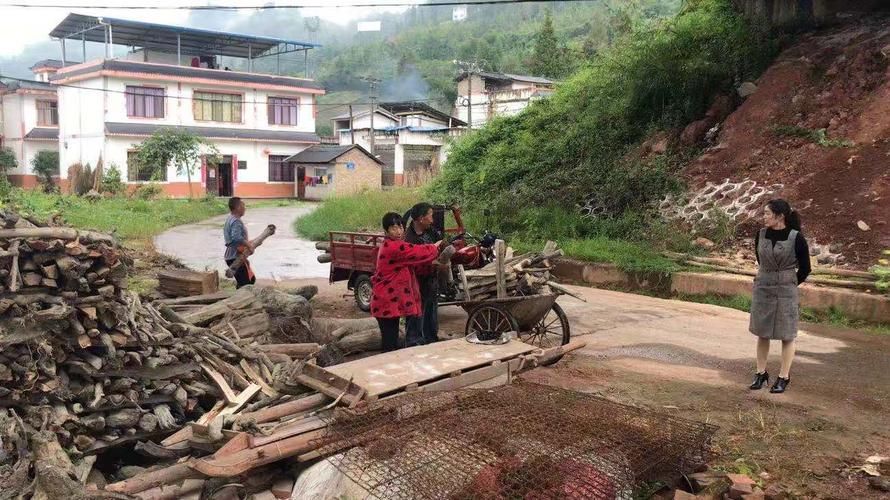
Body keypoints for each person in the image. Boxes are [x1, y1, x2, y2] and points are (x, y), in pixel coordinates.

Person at [748, 199, 811, 394]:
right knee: (762, 332)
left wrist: (789, 283)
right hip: (763, 288)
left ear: (780, 216)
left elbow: (805, 268)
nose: (764, 217)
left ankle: (784, 376)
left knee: (787, 335)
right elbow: (761, 260)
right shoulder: (760, 235)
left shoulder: (796, 238)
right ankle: (761, 373)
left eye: (767, 213)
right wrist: (768, 279)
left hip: (786, 292)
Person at [370, 212, 443, 352]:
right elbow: (417, 252)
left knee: (391, 341)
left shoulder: (396, 245)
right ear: (386, 231)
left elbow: (413, 262)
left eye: (400, 227)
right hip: (386, 301)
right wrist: (434, 247)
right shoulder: (393, 247)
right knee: (390, 344)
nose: (398, 231)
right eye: (393, 228)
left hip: (390, 301)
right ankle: (387, 369)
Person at [404, 202, 443, 346]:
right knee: (416, 315)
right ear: (421, 218)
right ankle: (414, 345)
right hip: (415, 283)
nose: (432, 220)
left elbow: (440, 244)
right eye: (430, 216)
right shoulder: (409, 239)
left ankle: (431, 341)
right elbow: (413, 262)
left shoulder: (430, 231)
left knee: (431, 313)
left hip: (430, 280)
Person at [223, 197, 256, 289]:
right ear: (238, 207)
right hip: (234, 257)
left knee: (249, 280)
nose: (245, 208)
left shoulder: (231, 218)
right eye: (243, 205)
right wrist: (249, 245)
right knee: (247, 283)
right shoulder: (236, 221)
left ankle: (239, 298)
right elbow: (236, 238)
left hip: (233, 256)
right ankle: (239, 300)